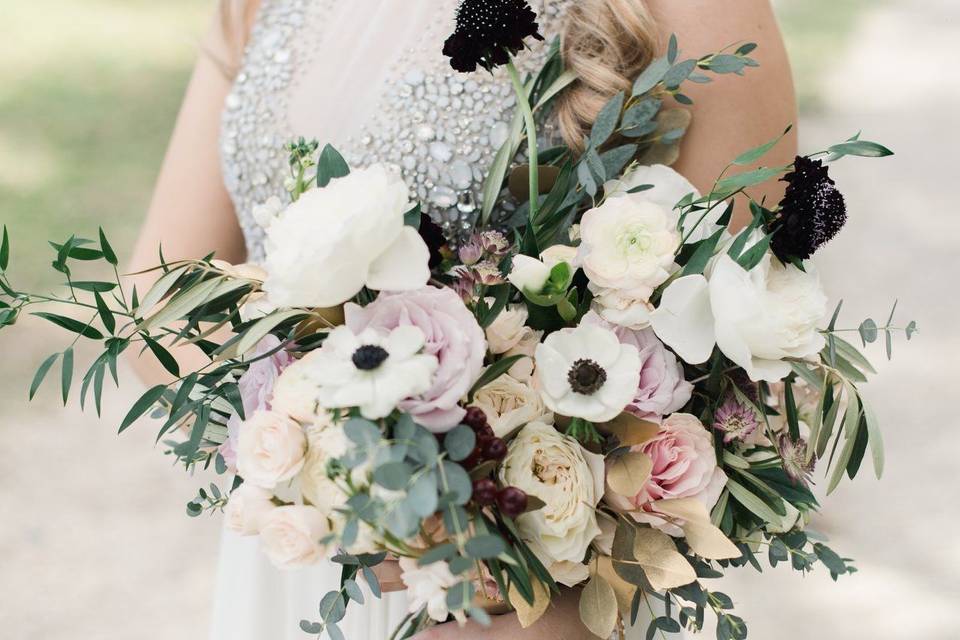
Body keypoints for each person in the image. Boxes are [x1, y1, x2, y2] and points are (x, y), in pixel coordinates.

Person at [129, 1, 798, 638]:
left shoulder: (696, 11)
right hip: (308, 559)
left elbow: (750, 354)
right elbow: (154, 303)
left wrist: (548, 576)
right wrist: (315, 464)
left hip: (531, 599)